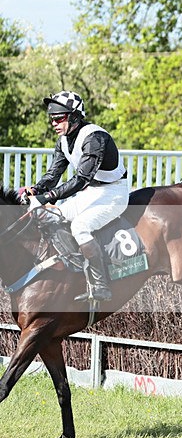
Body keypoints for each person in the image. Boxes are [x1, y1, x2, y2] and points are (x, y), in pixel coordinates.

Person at [23, 91, 129, 302]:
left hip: (113, 194)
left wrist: (46, 198)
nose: (53, 123)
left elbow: (81, 179)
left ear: (74, 116)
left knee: (80, 226)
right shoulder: (63, 140)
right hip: (92, 193)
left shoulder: (95, 138)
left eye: (59, 118)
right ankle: (76, 271)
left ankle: (101, 284)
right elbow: (54, 174)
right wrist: (37, 189)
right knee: (55, 216)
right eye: (51, 119)